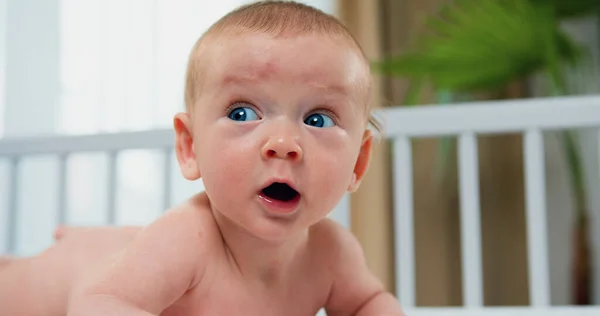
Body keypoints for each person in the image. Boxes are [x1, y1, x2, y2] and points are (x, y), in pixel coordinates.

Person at [0, 1, 405, 315]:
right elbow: (99, 303)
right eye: (242, 113)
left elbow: (368, 303)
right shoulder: (186, 240)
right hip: (59, 279)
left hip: (132, 254)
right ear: (190, 147)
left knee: (133, 249)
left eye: (318, 118)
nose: (283, 142)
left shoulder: (332, 253)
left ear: (358, 162)